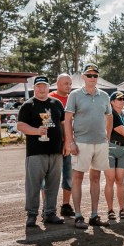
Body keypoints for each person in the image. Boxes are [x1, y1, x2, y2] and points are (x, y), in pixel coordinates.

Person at [64, 63, 113, 229]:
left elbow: (110, 117)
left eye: (95, 75)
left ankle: (94, 215)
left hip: (100, 143)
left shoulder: (104, 96)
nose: (92, 78)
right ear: (83, 77)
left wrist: (107, 137)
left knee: (96, 178)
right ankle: (78, 216)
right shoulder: (75, 95)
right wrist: (70, 142)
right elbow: (68, 120)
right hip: (81, 142)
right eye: (89, 75)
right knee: (77, 178)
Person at [17, 76, 66, 227]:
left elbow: (63, 124)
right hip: (36, 152)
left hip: (56, 151)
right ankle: (32, 214)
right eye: (38, 86)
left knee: (53, 184)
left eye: (44, 86)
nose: (41, 89)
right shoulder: (28, 105)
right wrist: (37, 131)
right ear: (34, 88)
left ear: (48, 87)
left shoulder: (56, 103)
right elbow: (20, 125)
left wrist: (66, 142)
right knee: (33, 185)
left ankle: (50, 213)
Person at [49, 74, 75, 218]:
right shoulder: (49, 98)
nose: (68, 86)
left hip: (69, 143)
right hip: (53, 143)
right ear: (57, 84)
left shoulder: (73, 98)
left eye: (70, 84)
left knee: (68, 175)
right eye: (65, 83)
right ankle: (48, 207)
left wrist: (69, 142)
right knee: (49, 176)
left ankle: (66, 205)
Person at [105, 91, 124, 221]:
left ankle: (122, 209)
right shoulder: (110, 114)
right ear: (112, 101)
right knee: (110, 179)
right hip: (110, 148)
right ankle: (110, 210)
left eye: (123, 99)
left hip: (122, 149)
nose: (122, 101)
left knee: (120, 180)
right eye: (119, 99)